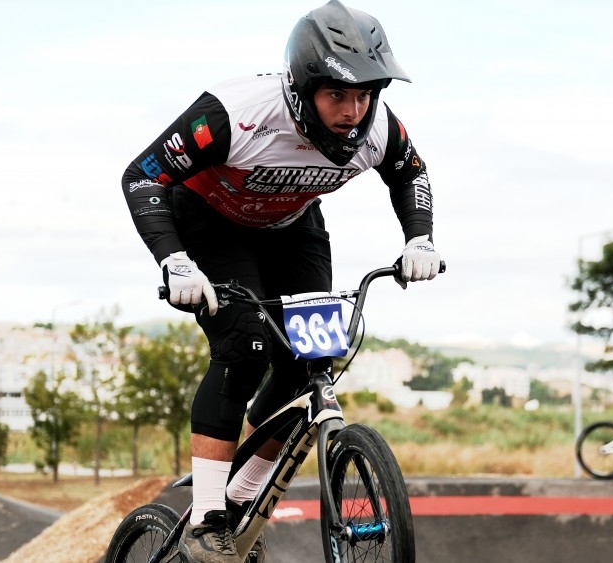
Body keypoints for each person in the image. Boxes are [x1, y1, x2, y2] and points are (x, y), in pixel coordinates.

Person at [119, 2, 442, 562]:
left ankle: (240, 505)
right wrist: (174, 261)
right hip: (208, 219)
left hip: (292, 228)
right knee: (245, 346)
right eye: (337, 95)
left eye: (365, 94)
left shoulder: (378, 129)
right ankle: (206, 517)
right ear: (303, 87)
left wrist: (420, 238)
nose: (353, 111)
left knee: (312, 357)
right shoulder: (234, 113)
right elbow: (141, 175)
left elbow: (410, 172)